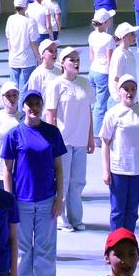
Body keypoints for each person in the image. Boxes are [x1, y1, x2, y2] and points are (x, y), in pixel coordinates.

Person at [1, 89, 68, 276]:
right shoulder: (14, 134)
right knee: (22, 249)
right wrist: (9, 199)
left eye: (37, 103)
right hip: (22, 200)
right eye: (29, 104)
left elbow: (59, 169)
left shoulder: (52, 132)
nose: (33, 108)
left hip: (47, 200)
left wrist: (60, 198)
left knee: (45, 249)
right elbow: (7, 170)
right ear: (23, 107)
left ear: (42, 106)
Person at [44, 47, 93, 230]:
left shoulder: (85, 83)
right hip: (63, 141)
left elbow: (89, 111)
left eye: (77, 59)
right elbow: (51, 115)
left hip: (80, 140)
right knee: (62, 182)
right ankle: (60, 217)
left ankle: (76, 218)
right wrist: (53, 142)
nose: (76, 62)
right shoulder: (56, 84)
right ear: (62, 63)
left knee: (78, 181)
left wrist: (90, 138)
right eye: (71, 59)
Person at [99, 73, 139, 234]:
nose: (129, 92)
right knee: (118, 211)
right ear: (119, 91)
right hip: (119, 170)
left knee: (132, 211)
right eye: (126, 89)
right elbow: (105, 142)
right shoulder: (112, 114)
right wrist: (106, 170)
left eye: (133, 89)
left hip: (138, 170)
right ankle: (115, 243)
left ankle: (129, 241)